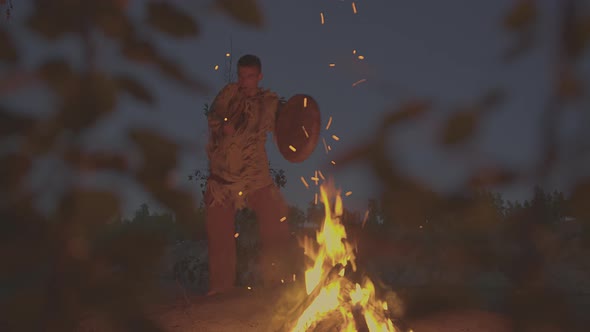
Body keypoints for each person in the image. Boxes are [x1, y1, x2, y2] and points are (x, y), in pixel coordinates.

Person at [204, 54, 294, 295]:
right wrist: (225, 125)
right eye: (242, 75)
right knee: (218, 227)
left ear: (259, 76)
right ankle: (220, 289)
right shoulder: (228, 93)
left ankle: (279, 284)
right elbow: (214, 116)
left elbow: (284, 127)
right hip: (223, 174)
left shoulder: (269, 102)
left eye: (250, 76)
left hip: (255, 173)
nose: (245, 81)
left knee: (275, 215)